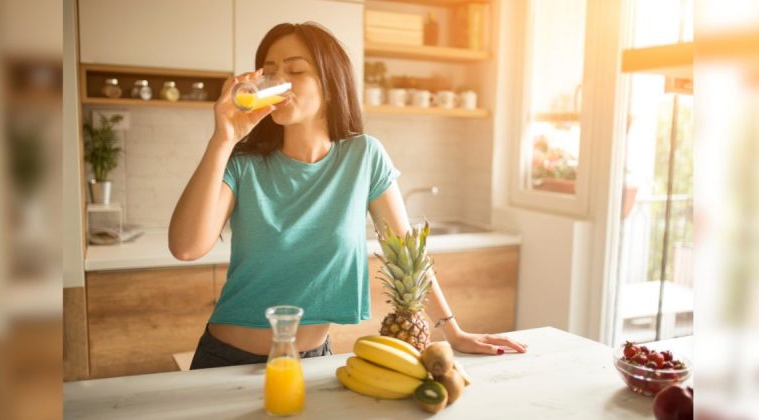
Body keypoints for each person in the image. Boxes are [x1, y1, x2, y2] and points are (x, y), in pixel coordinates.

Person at [168, 22, 527, 369]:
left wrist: (453, 332)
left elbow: (406, 254)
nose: (279, 82)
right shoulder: (243, 164)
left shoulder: (363, 156)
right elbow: (186, 247)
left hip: (316, 360)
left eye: (295, 71)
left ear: (330, 84)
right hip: (227, 360)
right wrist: (224, 139)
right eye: (271, 72)